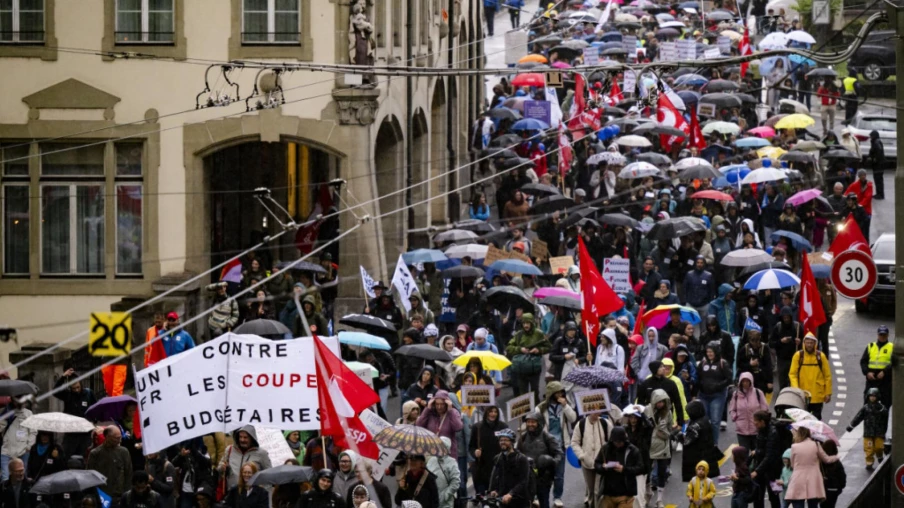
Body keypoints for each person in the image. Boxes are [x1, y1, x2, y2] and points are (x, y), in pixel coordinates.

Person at [536, 381, 577, 507]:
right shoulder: (541, 407)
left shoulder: (565, 404)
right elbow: (533, 422)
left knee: (559, 474)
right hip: (546, 445)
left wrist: (566, 406)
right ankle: (539, 496)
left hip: (561, 444)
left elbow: (573, 418)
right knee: (542, 473)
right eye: (557, 392)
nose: (559, 395)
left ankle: (557, 497)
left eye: (561, 392)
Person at [784, 427, 839, 508]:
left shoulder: (794, 447)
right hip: (814, 479)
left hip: (798, 478)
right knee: (813, 504)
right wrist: (836, 457)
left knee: (798, 502)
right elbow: (827, 459)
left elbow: (793, 465)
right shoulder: (816, 444)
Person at [517, 412, 562, 508]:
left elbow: (559, 453)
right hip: (527, 476)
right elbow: (517, 453)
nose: (530, 424)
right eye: (528, 422)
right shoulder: (523, 437)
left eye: (533, 422)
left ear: (539, 423)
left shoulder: (548, 437)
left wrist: (551, 462)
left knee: (543, 501)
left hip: (543, 477)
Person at [571, 410, 613, 508]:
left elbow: (612, 441)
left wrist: (608, 455)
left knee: (598, 490)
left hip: (602, 463)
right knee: (590, 490)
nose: (596, 413)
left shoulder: (605, 423)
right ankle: (591, 504)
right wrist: (582, 456)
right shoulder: (581, 424)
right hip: (587, 463)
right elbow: (574, 442)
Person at [506, 313, 551, 402]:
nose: (526, 325)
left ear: (532, 323)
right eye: (524, 323)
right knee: (523, 393)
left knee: (535, 391)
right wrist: (520, 349)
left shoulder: (539, 334)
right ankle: (525, 415)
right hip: (521, 368)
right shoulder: (519, 335)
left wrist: (538, 350)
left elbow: (549, 347)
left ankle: (536, 413)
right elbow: (509, 348)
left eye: (528, 323)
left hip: (534, 368)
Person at [594, 426, 643, 508]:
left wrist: (624, 469)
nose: (618, 444)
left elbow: (640, 468)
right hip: (608, 494)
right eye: (616, 442)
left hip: (625, 495)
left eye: (620, 442)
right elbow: (596, 464)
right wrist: (602, 467)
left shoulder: (633, 450)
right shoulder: (605, 449)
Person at [789, 333, 832, 420]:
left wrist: (828, 393)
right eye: (807, 342)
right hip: (802, 395)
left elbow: (827, 375)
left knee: (816, 420)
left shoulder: (821, 356)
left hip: (817, 395)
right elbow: (792, 374)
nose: (809, 345)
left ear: (814, 344)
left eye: (811, 343)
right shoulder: (798, 356)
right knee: (802, 419)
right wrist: (796, 389)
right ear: (804, 343)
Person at [88, 427, 133, 507]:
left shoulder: (123, 452)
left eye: (120, 437)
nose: (119, 440)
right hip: (102, 496)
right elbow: (90, 475)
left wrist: (126, 494)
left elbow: (128, 474)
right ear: (107, 437)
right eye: (117, 438)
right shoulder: (95, 453)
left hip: (119, 496)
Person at [696, 342, 732, 443]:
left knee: (715, 421)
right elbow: (697, 377)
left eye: (711, 352)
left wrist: (718, 386)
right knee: (704, 421)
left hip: (718, 396)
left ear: (716, 352)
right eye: (707, 352)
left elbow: (729, 379)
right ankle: (705, 443)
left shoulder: (722, 363)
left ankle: (714, 443)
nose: (709, 354)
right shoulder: (703, 363)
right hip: (703, 395)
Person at [847, 387, 889, 471]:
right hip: (868, 432)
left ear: (877, 397)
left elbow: (885, 422)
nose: (872, 398)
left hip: (879, 433)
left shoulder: (882, 409)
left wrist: (883, 432)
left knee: (879, 447)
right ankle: (869, 462)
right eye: (871, 396)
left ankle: (879, 456)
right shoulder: (865, 408)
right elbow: (858, 417)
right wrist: (851, 426)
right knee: (868, 448)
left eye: (874, 396)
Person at [489, 428, 532, 508]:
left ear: (512, 442)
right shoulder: (498, 458)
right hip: (503, 500)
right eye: (501, 440)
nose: (503, 442)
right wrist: (495, 490)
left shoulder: (521, 459)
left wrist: (511, 494)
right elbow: (497, 477)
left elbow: (524, 481)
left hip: (519, 501)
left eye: (506, 440)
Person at [681, 401, 720, 483]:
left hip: (696, 458)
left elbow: (687, 441)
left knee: (698, 485)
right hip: (707, 456)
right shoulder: (705, 420)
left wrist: (677, 435)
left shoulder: (696, 426)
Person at [416, 391, 464, 458]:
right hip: (432, 453)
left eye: (442, 404)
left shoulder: (453, 412)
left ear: (446, 403)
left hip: (448, 454)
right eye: (437, 404)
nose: (439, 407)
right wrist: (427, 408)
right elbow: (419, 425)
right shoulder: (430, 413)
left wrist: (450, 411)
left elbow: (458, 427)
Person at [750, 411, 783, 508]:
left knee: (773, 496)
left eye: (756, 421)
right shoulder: (761, 430)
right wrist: (757, 451)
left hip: (772, 470)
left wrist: (757, 471)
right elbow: (762, 448)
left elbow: (770, 456)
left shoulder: (773, 433)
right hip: (761, 467)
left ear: (762, 421)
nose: (754, 423)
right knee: (758, 496)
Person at [646, 390, 673, 508]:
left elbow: (670, 429)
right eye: (658, 401)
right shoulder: (648, 410)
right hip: (649, 445)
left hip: (663, 446)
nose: (660, 404)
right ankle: (648, 493)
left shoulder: (668, 413)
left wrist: (663, 430)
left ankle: (659, 499)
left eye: (662, 401)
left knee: (662, 473)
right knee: (646, 472)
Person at [729, 372, 768, 452]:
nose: (745, 383)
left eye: (747, 381)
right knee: (744, 456)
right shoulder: (736, 394)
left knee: (758, 453)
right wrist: (735, 417)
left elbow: (765, 408)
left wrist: (760, 420)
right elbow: (732, 409)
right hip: (741, 430)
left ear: (751, 381)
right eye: (743, 381)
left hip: (756, 430)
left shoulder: (758, 393)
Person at [769, 307, 802, 391]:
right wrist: (781, 341)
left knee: (794, 381)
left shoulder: (797, 327)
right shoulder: (778, 327)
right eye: (784, 318)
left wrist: (800, 342)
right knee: (783, 382)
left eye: (788, 317)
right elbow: (771, 343)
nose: (786, 319)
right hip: (782, 359)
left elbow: (806, 343)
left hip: (794, 358)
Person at [860, 325, 893, 408]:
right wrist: (867, 372)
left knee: (885, 405)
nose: (882, 337)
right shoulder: (871, 346)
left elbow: (894, 362)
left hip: (885, 381)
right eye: (881, 334)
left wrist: (884, 372)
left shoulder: (892, 347)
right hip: (872, 381)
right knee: (867, 405)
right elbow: (863, 361)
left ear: (888, 335)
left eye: (884, 335)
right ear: (877, 335)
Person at [0, 397, 33, 482]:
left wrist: (28, 446)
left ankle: (21, 493)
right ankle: (5, 493)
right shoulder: (6, 412)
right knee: (5, 477)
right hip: (7, 449)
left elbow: (32, 431)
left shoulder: (28, 413)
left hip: (23, 449)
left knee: (21, 475)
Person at [172, 441, 211, 508]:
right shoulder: (185, 454)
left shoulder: (203, 451)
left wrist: (194, 451)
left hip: (199, 490)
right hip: (186, 490)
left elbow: (206, 463)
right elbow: (173, 464)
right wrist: (181, 455)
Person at [426, 437, 460, 508]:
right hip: (432, 500)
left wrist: (445, 495)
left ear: (446, 448)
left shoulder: (452, 462)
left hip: (446, 502)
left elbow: (456, 482)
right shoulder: (431, 460)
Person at [819, 440, 846, 508]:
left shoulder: (820, 462)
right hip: (834, 489)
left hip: (822, 489)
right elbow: (842, 477)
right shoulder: (837, 463)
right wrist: (840, 487)